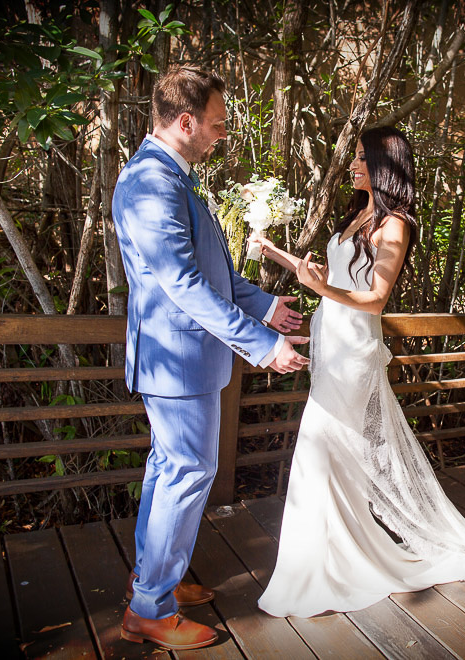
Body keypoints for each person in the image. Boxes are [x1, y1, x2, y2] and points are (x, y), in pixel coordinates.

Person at [111, 65, 309, 649]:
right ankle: (149, 607)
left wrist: (265, 304)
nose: (223, 134)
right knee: (186, 473)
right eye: (218, 126)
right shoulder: (151, 182)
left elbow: (209, 271)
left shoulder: (175, 176)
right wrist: (262, 343)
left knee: (169, 470)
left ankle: (150, 580)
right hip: (177, 362)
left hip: (187, 360)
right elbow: (182, 285)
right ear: (186, 121)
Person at [252, 126, 465, 618]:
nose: (353, 164)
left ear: (384, 165)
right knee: (329, 455)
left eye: (361, 158)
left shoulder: (395, 223)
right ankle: (333, 558)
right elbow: (331, 278)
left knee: (320, 450)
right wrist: (274, 252)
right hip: (330, 346)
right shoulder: (359, 214)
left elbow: (375, 298)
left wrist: (322, 291)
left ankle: (322, 568)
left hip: (354, 353)